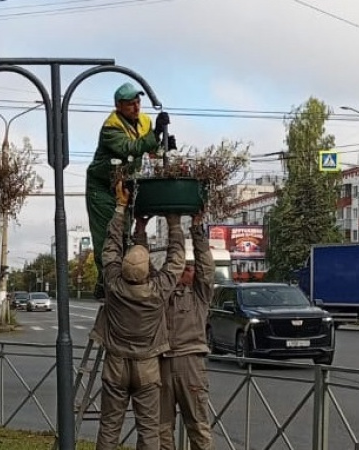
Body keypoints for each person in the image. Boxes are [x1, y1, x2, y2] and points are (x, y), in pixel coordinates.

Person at [93, 181, 185, 450]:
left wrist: (121, 207)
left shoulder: (113, 284)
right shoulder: (157, 291)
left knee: (109, 428)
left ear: (123, 267)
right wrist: (174, 223)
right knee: (148, 430)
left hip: (116, 364)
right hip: (146, 366)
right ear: (147, 271)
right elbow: (176, 261)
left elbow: (110, 248)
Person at [85, 82, 175, 300]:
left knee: (124, 233)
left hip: (123, 184)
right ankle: (106, 283)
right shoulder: (111, 127)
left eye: (138, 102)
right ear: (119, 106)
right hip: (102, 187)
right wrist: (155, 133)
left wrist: (164, 145)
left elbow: (149, 151)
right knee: (107, 235)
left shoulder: (144, 121)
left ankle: (122, 283)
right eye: (130, 104)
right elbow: (130, 148)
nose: (136, 107)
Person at [159, 213, 214, 450]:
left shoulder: (199, 294)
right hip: (161, 362)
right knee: (160, 430)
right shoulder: (161, 292)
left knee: (198, 426)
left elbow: (206, 267)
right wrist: (140, 232)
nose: (187, 269)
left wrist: (197, 229)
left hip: (190, 362)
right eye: (184, 266)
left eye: (190, 268)